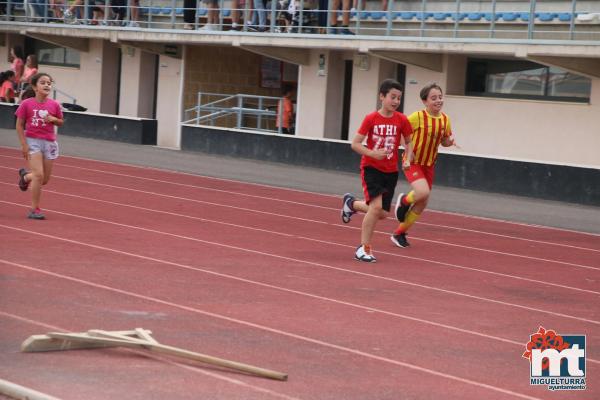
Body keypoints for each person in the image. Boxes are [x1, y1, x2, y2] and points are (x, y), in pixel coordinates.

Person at [341, 78, 413, 262]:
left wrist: (408, 157)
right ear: (382, 96)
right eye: (392, 97)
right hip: (371, 168)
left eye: (399, 98)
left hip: (391, 171)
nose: (396, 101)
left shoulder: (402, 120)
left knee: (381, 213)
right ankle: (363, 248)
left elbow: (409, 141)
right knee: (376, 207)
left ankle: (351, 204)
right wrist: (372, 153)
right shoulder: (371, 118)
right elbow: (355, 144)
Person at [390, 83, 457, 248]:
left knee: (423, 201)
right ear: (425, 101)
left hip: (429, 164)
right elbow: (401, 134)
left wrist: (449, 142)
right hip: (413, 161)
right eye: (433, 98)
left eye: (440, 97)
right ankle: (404, 201)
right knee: (422, 192)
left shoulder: (445, 120)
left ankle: (399, 233)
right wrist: (407, 150)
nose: (438, 101)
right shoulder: (416, 117)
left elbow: (444, 141)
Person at [15, 72, 64, 220]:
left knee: (44, 180)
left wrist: (53, 119)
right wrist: (24, 145)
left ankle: (25, 177)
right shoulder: (26, 104)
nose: (47, 85)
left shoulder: (54, 104)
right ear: (35, 87)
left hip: (49, 142)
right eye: (43, 82)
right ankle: (34, 209)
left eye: (49, 83)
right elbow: (19, 125)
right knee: (39, 175)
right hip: (32, 141)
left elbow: (61, 122)